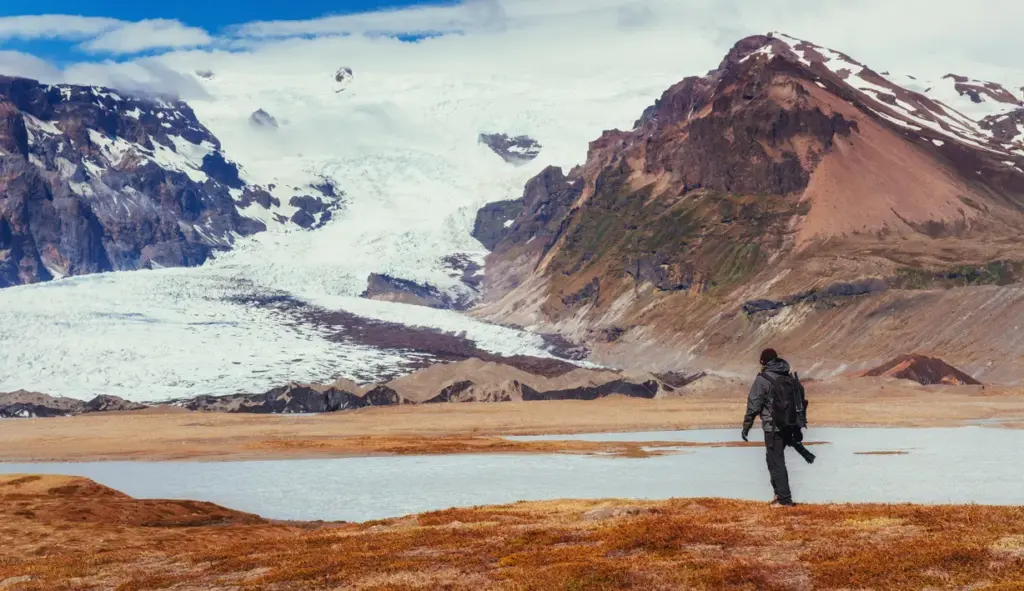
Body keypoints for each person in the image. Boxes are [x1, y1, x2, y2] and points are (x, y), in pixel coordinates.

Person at [741, 348, 812, 507]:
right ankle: (779, 494)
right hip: (789, 426)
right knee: (772, 459)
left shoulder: (763, 379)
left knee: (776, 461)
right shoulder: (786, 375)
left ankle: (784, 500)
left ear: (763, 362)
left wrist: (747, 426)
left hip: (773, 428)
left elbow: (754, 405)